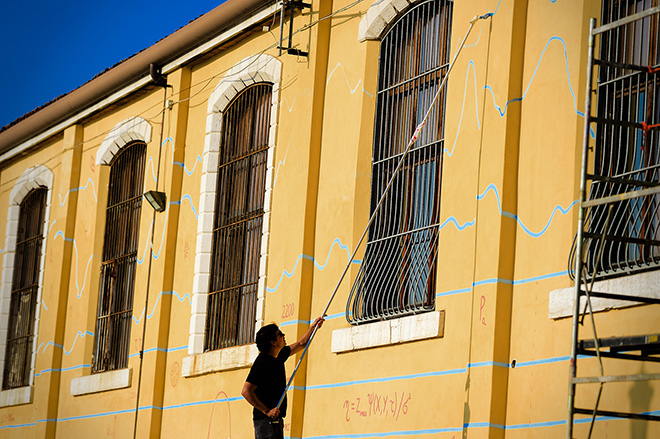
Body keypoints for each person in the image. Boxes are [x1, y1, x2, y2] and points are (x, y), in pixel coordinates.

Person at [242, 316, 324, 439]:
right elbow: (246, 391)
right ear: (273, 342)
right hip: (265, 422)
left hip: (276, 420)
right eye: (280, 334)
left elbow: (301, 344)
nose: (283, 335)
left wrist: (313, 327)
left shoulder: (278, 356)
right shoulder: (262, 363)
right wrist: (267, 411)